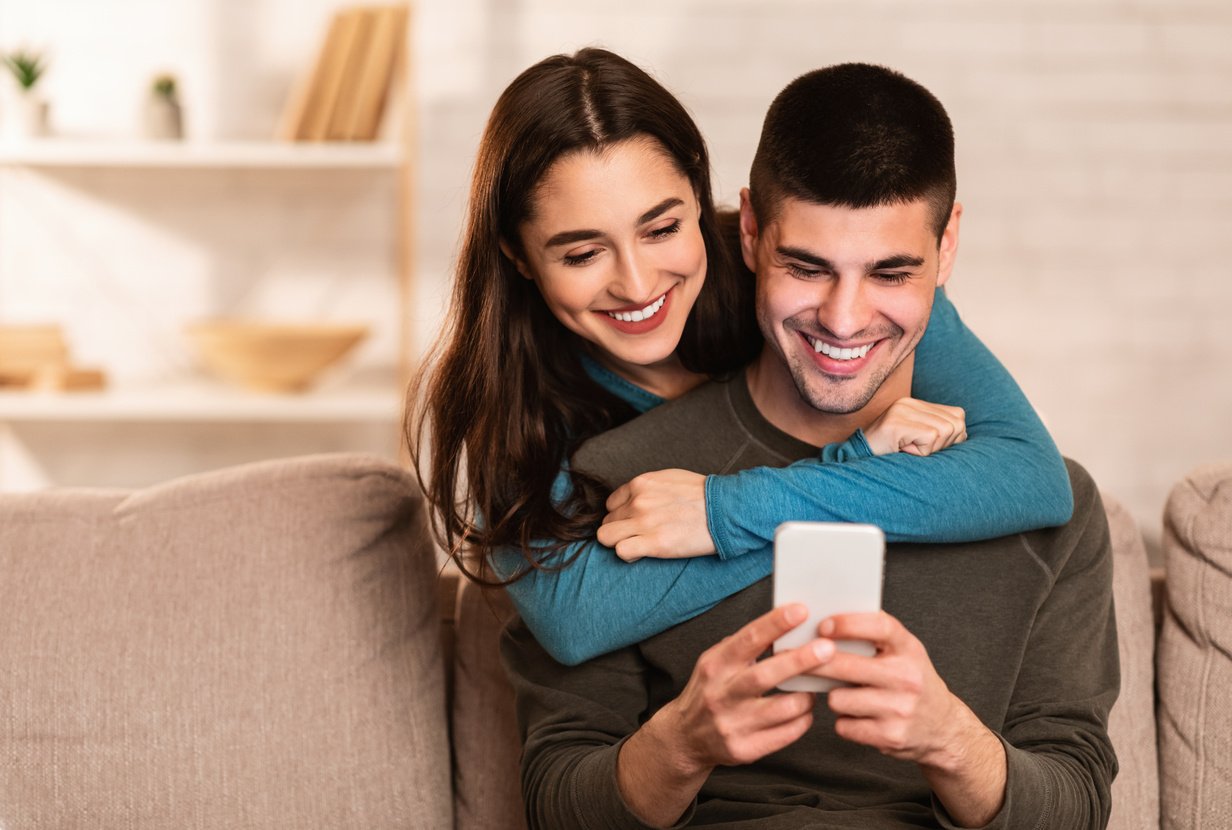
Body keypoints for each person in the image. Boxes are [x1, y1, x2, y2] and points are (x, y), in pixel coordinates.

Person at [502, 63, 1118, 828]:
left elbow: (1079, 805)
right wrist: (682, 745)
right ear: (753, 233)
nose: (845, 318)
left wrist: (952, 741)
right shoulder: (619, 487)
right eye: (808, 267)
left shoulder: (1038, 502)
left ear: (947, 247)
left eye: (891, 271)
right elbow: (561, 794)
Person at [409, 48, 1073, 666]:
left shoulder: (803, 285)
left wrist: (728, 511)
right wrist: (855, 466)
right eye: (583, 253)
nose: (638, 285)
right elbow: (574, 616)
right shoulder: (504, 403)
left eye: (663, 227)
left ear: (705, 202)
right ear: (518, 255)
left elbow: (1029, 476)